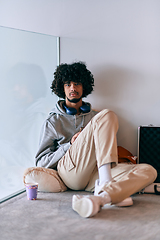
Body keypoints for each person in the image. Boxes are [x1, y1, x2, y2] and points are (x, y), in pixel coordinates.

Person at [35, 62, 157, 218]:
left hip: (95, 174)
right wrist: (69, 145)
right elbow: (40, 162)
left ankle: (102, 197)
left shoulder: (95, 117)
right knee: (108, 114)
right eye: (68, 84)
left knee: (149, 171)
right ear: (61, 88)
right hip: (71, 173)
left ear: (84, 86)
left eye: (77, 83)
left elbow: (105, 148)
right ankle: (107, 183)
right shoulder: (53, 121)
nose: (73, 88)